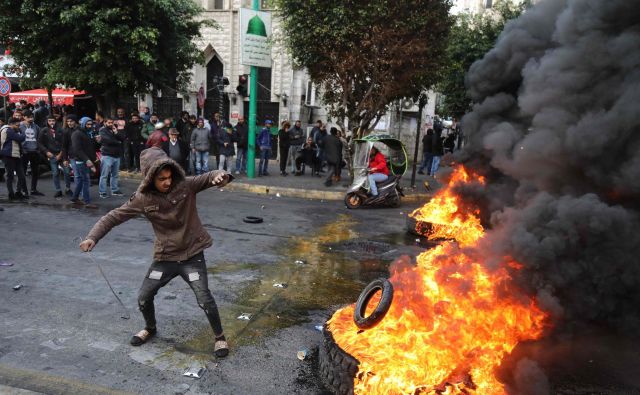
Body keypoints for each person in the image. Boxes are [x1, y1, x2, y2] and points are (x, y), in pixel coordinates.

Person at [78, 147, 233, 358]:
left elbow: (211, 176)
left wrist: (221, 176)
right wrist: (92, 237)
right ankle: (150, 328)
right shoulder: (142, 199)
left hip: (192, 256)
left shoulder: (186, 185)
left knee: (204, 298)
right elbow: (113, 217)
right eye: (161, 179)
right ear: (150, 178)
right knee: (144, 296)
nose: (167, 182)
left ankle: (220, 337)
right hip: (165, 258)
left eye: (169, 177)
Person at [38, 115, 70, 198]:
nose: (51, 122)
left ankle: (68, 188)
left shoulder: (61, 130)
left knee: (67, 172)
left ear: (56, 121)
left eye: (53, 120)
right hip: (51, 155)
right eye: (50, 121)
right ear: (47, 121)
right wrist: (46, 152)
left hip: (62, 154)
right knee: (55, 173)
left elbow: (64, 144)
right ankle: (58, 190)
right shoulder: (44, 130)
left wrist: (61, 154)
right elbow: (40, 143)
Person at [70, 117, 98, 208]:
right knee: (86, 180)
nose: (89, 126)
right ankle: (87, 201)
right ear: (83, 124)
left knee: (82, 180)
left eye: (90, 124)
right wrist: (87, 160)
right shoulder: (76, 134)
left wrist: (98, 141)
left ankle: (74, 198)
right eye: (87, 124)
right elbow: (77, 150)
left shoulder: (88, 133)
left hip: (86, 160)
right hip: (81, 161)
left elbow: (91, 147)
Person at [0, 118, 28, 200]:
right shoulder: (8, 130)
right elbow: (20, 138)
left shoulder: (13, 130)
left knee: (21, 176)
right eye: (17, 125)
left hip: (16, 155)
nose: (18, 126)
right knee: (10, 175)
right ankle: (11, 194)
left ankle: (17, 192)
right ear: (11, 124)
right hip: (8, 155)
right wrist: (23, 133)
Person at [98, 117, 125, 198]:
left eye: (111, 122)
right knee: (104, 175)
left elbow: (123, 138)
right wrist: (118, 142)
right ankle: (102, 192)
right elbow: (108, 140)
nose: (110, 124)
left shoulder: (114, 129)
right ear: (105, 123)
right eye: (109, 123)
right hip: (107, 155)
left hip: (116, 155)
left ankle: (115, 190)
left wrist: (116, 132)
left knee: (115, 175)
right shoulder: (102, 130)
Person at [20, 111, 43, 196]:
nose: (31, 119)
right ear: (24, 117)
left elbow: (39, 137)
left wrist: (38, 149)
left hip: (34, 151)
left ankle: (33, 189)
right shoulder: (20, 126)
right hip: (24, 152)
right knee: (23, 172)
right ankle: (23, 190)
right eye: (29, 117)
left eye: (32, 117)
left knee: (35, 172)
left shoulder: (35, 126)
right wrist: (22, 150)